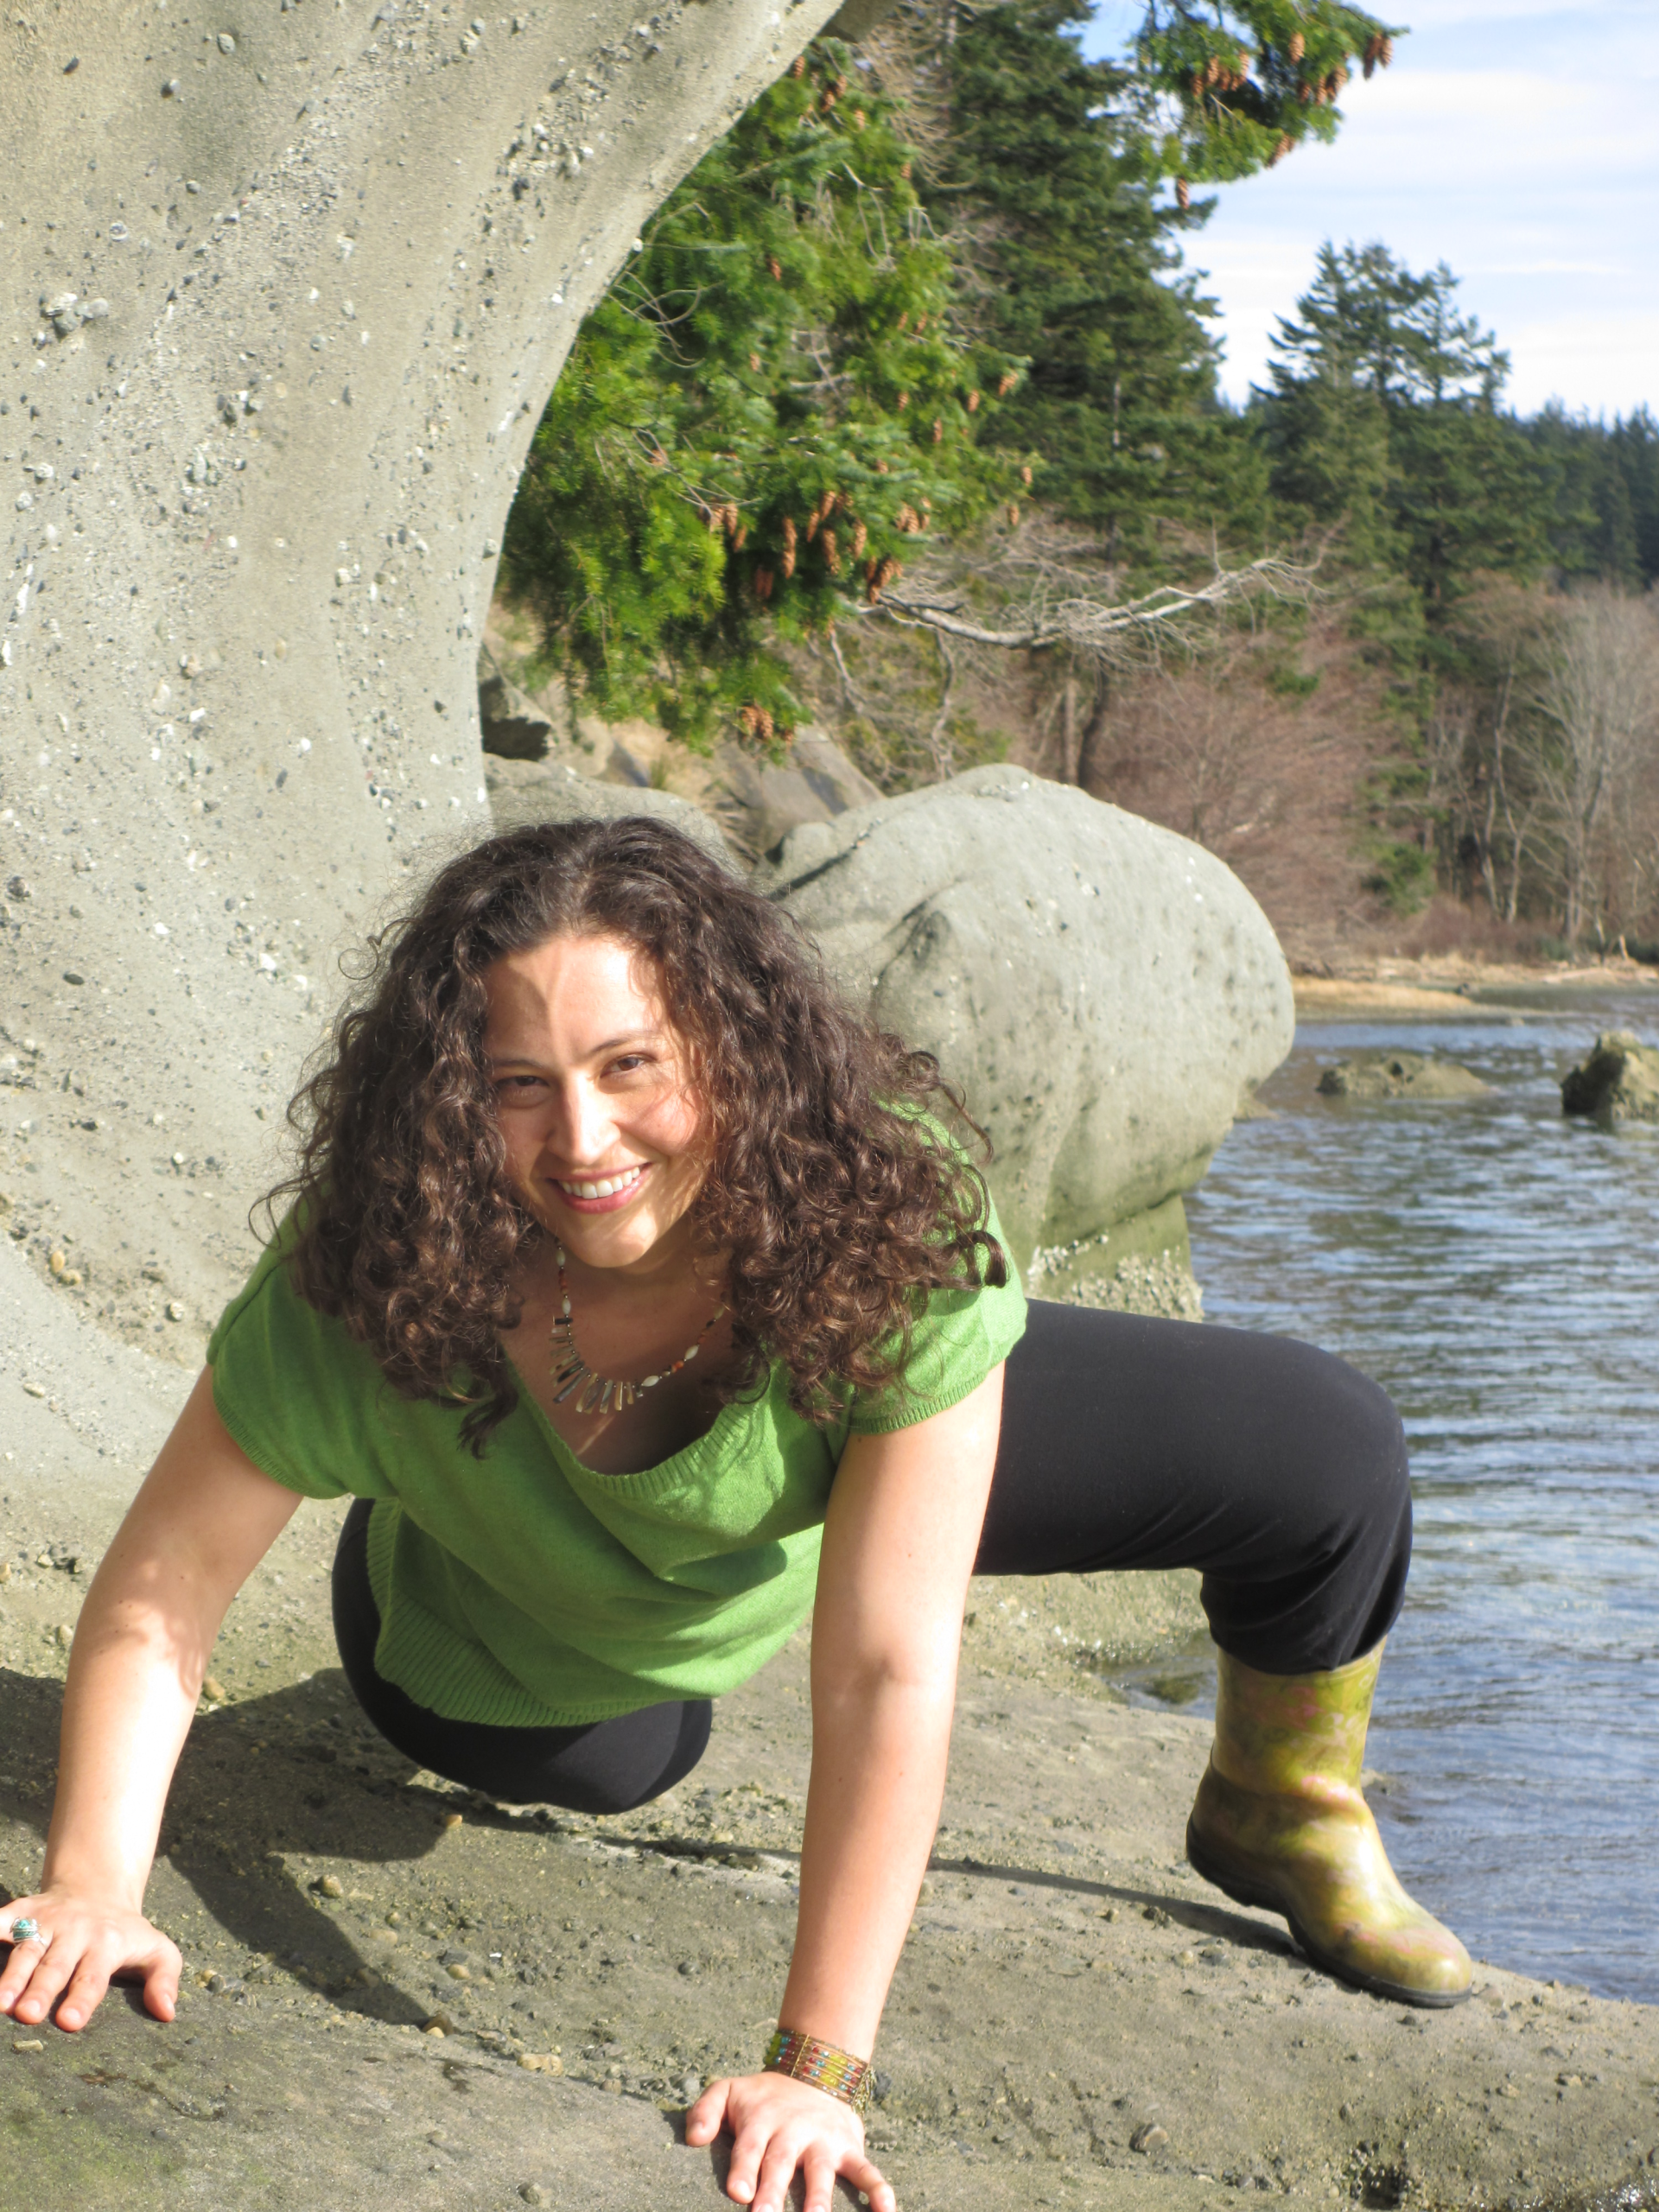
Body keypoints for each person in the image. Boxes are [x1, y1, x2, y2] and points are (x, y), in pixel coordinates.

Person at [0, 817, 1471, 2212]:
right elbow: (160, 1594)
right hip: (509, 1629)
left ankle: (1279, 1808)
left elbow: (887, 1668)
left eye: (631, 1063)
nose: (583, 1138)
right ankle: (461, 1538)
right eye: (517, 1082)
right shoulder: (382, 1264)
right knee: (622, 1758)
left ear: (732, 1044)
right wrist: (93, 1885)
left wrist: (814, 2070)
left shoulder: (868, 1194)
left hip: (825, 1449)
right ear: (453, 1094)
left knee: (1324, 1451)